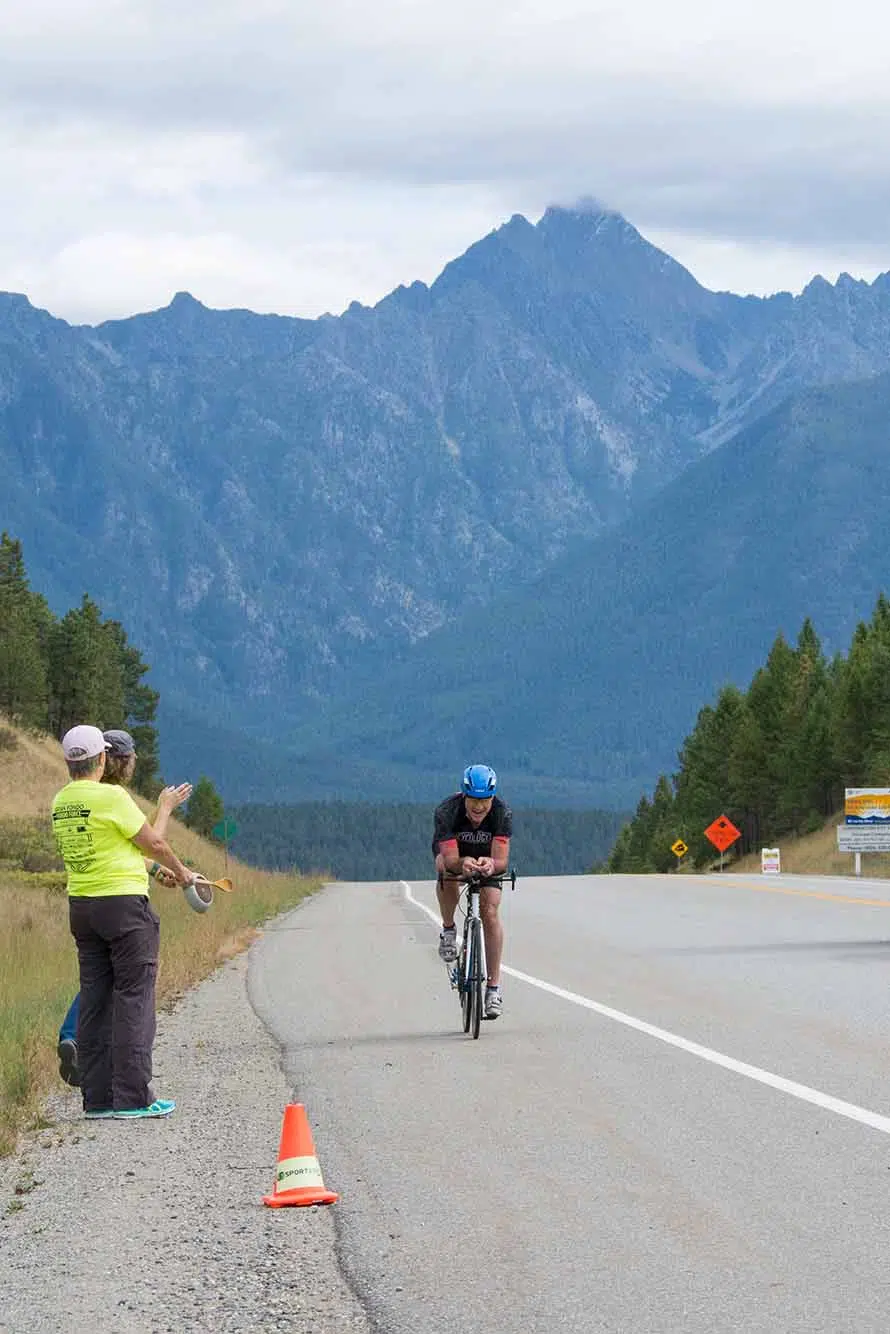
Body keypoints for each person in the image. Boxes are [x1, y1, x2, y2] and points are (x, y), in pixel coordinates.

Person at [51, 724, 200, 1120]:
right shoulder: (112, 796)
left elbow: (110, 848)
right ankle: (134, 1097)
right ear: (101, 759)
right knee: (134, 995)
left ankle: (97, 1100)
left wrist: (152, 868)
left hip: (81, 907)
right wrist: (182, 873)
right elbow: (153, 842)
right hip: (122, 906)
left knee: (95, 999)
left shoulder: (61, 802)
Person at [432, 764, 512, 1019]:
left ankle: (493, 989)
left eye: (485, 801)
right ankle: (448, 930)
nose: (479, 807)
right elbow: (451, 858)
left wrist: (491, 864)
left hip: (487, 859)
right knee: (445, 871)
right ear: (464, 795)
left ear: (492, 797)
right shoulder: (447, 812)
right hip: (455, 855)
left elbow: (502, 861)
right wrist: (461, 863)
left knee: (490, 911)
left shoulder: (502, 813)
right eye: (474, 801)